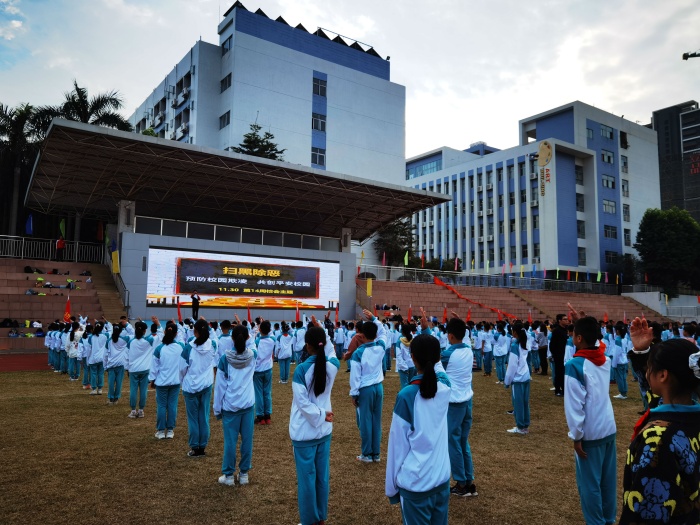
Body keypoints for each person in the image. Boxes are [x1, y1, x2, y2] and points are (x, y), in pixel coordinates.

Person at [620, 320, 700, 525]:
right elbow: (656, 393)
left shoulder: (657, 439)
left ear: (663, 375)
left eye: (650, 367)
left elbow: (647, 512)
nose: (647, 372)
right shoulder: (690, 416)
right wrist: (642, 352)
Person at [386, 333, 452, 525]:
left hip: (417, 484)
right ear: (439, 357)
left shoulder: (407, 396)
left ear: (413, 357)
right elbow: (439, 370)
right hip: (441, 480)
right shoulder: (445, 386)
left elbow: (397, 447)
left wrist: (391, 489)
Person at [564, 315, 617, 525]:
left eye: (574, 334)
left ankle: (596, 522)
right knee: (607, 481)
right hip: (608, 427)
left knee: (589, 484)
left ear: (578, 338)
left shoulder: (575, 366)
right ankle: (608, 519)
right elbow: (599, 344)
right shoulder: (604, 359)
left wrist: (576, 436)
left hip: (591, 432)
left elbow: (574, 407)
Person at [290, 323, 339, 525]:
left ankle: (310, 520)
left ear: (307, 345)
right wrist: (322, 415)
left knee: (307, 480)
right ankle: (319, 517)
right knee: (321, 478)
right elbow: (331, 351)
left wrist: (320, 415)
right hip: (323, 431)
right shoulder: (332, 366)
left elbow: (302, 404)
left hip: (305, 432)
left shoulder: (301, 370)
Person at [214, 324, 257, 486]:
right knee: (247, 441)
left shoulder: (225, 359)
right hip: (247, 405)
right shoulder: (252, 355)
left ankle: (229, 476)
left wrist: (217, 409)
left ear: (232, 338)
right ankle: (244, 474)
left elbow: (220, 387)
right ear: (247, 338)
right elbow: (252, 343)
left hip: (230, 406)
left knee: (230, 442)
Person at [441, 316, 477, 497]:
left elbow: (432, 360)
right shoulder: (468, 349)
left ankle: (461, 484)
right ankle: (468, 480)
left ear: (450, 335)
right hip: (466, 400)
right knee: (463, 441)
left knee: (453, 442)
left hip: (454, 403)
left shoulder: (448, 354)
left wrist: (425, 331)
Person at [350, 309, 386, 462]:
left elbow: (355, 376)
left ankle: (367, 454)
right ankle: (375, 454)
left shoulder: (358, 353)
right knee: (376, 420)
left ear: (362, 336)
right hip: (378, 387)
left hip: (365, 389)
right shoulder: (381, 346)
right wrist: (374, 318)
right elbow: (383, 332)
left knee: (365, 421)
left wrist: (354, 393)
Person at [180, 319, 216, 456]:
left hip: (191, 386)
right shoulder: (213, 345)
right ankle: (202, 446)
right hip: (206, 385)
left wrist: (183, 381)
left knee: (193, 418)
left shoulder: (188, 348)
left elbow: (182, 369)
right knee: (204, 416)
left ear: (195, 332)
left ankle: (195, 447)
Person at [149, 325, 183, 440]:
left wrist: (152, 380)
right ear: (176, 333)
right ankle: (170, 430)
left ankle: (160, 431)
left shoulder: (160, 348)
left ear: (164, 332)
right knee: (172, 405)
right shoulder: (180, 347)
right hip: (175, 381)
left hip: (162, 382)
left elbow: (154, 366)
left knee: (162, 406)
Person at [504, 322, 531, 435]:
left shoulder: (515, 345)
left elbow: (512, 366)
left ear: (514, 332)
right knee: (524, 402)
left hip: (518, 378)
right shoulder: (524, 342)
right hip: (525, 376)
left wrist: (507, 381)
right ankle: (525, 425)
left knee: (518, 404)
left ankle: (520, 427)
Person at [126, 320, 154, 418]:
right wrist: (157, 325)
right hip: (145, 369)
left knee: (133, 390)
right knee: (143, 390)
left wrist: (127, 368)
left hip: (133, 369)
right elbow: (158, 335)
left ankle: (133, 410)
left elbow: (126, 356)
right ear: (144, 331)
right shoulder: (149, 341)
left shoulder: (131, 342)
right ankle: (141, 410)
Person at [253, 320, 275, 424]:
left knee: (258, 393)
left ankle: (260, 416)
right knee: (267, 392)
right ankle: (267, 415)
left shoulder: (257, 341)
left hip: (258, 370)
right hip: (268, 369)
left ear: (260, 329)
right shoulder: (272, 340)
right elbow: (270, 333)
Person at [104, 324, 130, 405]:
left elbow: (105, 355)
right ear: (121, 331)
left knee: (111, 382)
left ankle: (111, 398)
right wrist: (126, 324)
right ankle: (116, 398)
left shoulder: (109, 341)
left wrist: (105, 366)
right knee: (119, 382)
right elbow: (133, 333)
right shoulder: (125, 339)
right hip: (121, 364)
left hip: (111, 364)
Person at [87, 322, 108, 395]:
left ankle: (94, 389)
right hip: (102, 358)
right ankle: (100, 389)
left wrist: (87, 358)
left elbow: (89, 349)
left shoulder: (91, 337)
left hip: (93, 358)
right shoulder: (105, 336)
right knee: (100, 374)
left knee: (93, 374)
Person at [550, 313, 568, 396]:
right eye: (564, 319)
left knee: (564, 373)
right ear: (560, 321)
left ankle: (564, 389)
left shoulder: (566, 330)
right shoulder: (556, 331)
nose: (567, 321)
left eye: (567, 319)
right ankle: (557, 389)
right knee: (559, 373)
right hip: (559, 355)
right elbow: (552, 345)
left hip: (566, 355)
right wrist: (555, 354)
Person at [396, 324, 416, 388]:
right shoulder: (413, 340)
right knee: (411, 385)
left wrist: (403, 366)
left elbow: (398, 355)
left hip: (403, 366)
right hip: (412, 365)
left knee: (404, 386)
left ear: (402, 331)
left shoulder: (399, 342)